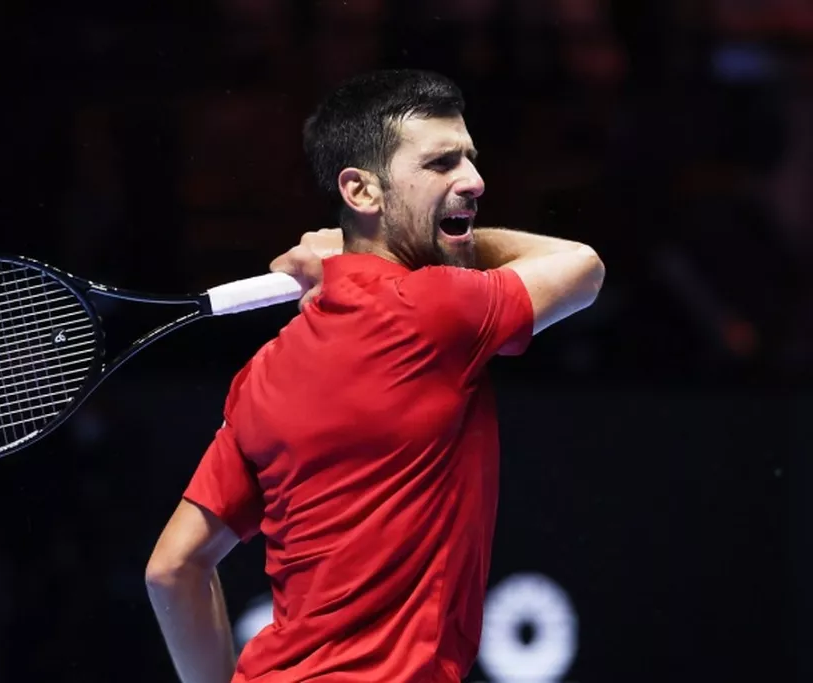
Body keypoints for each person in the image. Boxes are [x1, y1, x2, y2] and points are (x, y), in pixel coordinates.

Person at [145, 69, 605, 683]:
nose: (474, 180)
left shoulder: (262, 374)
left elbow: (172, 570)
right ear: (361, 191)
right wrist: (345, 248)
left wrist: (349, 249)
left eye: (470, 158)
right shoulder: (434, 309)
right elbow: (582, 266)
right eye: (441, 163)